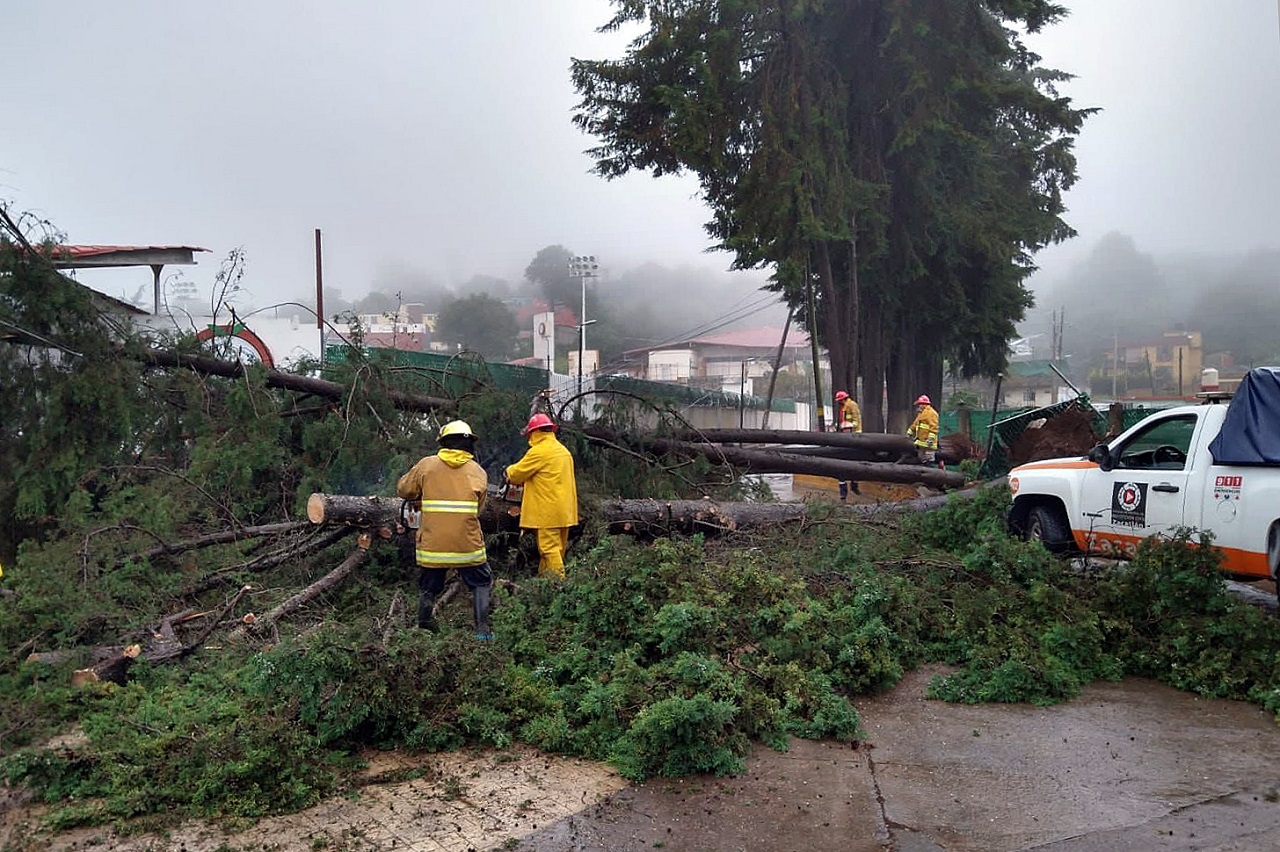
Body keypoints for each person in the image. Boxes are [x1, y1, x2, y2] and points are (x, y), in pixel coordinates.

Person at [396, 420, 494, 640]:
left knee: (429, 584)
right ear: (469, 444)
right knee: (481, 582)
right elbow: (479, 508)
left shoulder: (427, 465)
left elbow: (404, 490)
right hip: (467, 545)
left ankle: (424, 625)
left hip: (434, 546)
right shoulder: (478, 472)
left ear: (444, 443)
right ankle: (482, 632)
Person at [505, 413, 579, 581]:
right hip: (565, 511)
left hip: (548, 512)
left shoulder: (539, 451)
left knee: (548, 550)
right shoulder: (563, 451)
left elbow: (516, 474)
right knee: (557, 550)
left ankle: (559, 587)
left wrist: (507, 472)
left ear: (535, 432)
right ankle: (544, 583)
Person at [834, 390, 862, 500]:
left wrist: (851, 429)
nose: (839, 402)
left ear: (843, 399)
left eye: (839, 400)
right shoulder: (845, 406)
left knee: (854, 463)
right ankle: (843, 493)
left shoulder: (852, 405)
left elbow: (856, 420)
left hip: (854, 434)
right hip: (847, 433)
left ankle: (854, 486)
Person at [906, 394, 940, 466]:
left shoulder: (932, 413)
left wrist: (931, 438)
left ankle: (931, 471)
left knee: (929, 456)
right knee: (921, 456)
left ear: (924, 404)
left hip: (928, 441)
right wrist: (910, 431)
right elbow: (915, 424)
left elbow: (934, 427)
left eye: (919, 404)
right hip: (922, 440)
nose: (918, 406)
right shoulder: (921, 413)